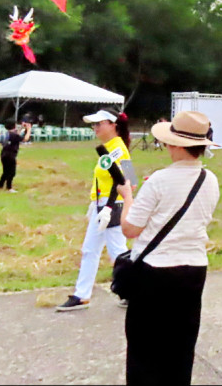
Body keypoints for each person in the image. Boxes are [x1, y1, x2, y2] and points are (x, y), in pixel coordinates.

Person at [117, 110, 220, 386]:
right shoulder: (210, 180)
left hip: (155, 271)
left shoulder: (159, 180)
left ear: (174, 144)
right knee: (181, 347)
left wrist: (127, 196)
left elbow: (130, 229)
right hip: (194, 270)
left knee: (144, 350)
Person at [56, 108, 131, 311]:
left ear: (113, 124)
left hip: (110, 205)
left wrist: (109, 205)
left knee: (116, 252)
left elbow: (126, 181)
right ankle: (86, 295)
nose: (95, 128)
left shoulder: (117, 149)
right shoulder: (112, 148)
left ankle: (131, 291)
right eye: (94, 124)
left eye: (99, 124)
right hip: (103, 203)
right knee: (99, 250)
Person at [0, 120, 31, 191]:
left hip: (4, 154)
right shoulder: (14, 135)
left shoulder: (8, 134)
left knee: (5, 171)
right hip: (11, 155)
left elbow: (17, 134)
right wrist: (29, 130)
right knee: (12, 172)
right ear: (14, 126)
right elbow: (25, 139)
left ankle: (0, 185)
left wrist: (22, 127)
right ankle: (9, 187)